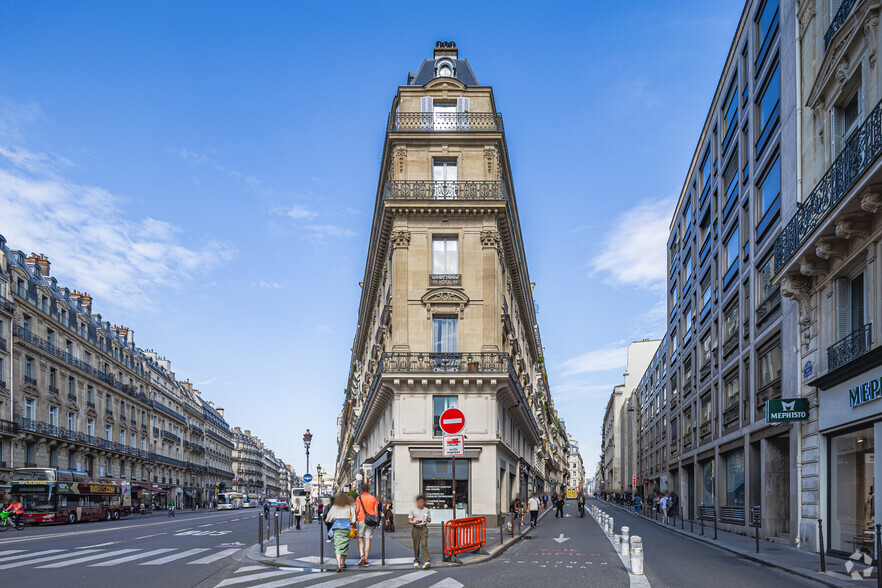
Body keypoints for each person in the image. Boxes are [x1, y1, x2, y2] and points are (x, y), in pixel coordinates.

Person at [325, 492, 356, 573]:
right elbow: (353, 520)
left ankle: (338, 564)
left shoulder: (335, 507)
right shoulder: (350, 507)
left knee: (337, 546)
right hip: (346, 528)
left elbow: (328, 518)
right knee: (345, 545)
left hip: (337, 527)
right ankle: (343, 563)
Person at [355, 483, 379, 567]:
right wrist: (376, 522)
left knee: (360, 538)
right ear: (368, 489)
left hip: (361, 519)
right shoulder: (373, 498)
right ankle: (366, 561)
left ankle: (361, 555)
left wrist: (355, 518)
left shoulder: (359, 498)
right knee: (367, 539)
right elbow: (376, 512)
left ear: (362, 490)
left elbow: (357, 510)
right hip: (370, 520)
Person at [408, 495, 431, 569]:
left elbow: (430, 520)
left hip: (424, 528)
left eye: (422, 502)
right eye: (420, 502)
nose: (421, 503)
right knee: (416, 545)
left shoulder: (427, 510)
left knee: (424, 544)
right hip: (416, 528)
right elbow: (409, 520)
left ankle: (426, 561)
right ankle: (416, 560)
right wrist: (415, 522)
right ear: (417, 502)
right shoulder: (412, 510)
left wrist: (427, 519)